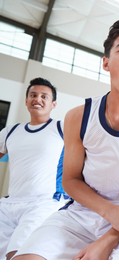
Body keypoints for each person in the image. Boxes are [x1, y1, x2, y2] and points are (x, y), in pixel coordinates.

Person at [13, 18, 119, 260]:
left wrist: (109, 238)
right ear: (106, 63)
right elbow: (70, 180)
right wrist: (110, 212)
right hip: (82, 213)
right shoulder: (77, 117)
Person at [0, 77, 68, 260]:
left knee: (19, 256)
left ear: (53, 104)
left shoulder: (62, 128)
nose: (37, 99)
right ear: (26, 100)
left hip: (44, 202)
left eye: (44, 96)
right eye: (33, 95)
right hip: (9, 203)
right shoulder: (11, 131)